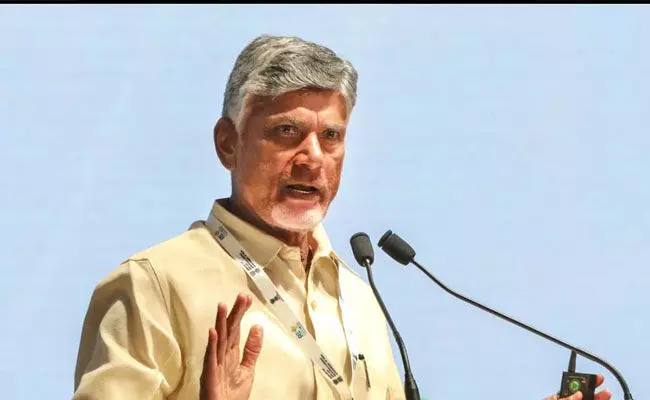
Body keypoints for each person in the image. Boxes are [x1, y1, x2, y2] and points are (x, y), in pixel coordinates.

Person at [72, 35, 613, 400]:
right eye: (286, 131)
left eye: (330, 136)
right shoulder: (154, 284)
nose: (312, 156)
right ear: (227, 143)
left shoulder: (359, 298)